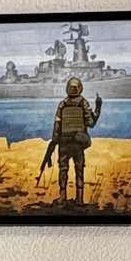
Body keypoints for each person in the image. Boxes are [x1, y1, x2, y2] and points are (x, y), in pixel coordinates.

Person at [50, 75, 102, 205]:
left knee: (63, 169)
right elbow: (91, 123)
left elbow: (57, 125)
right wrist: (98, 107)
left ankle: (62, 197)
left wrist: (55, 140)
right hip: (78, 143)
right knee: (79, 169)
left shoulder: (62, 104)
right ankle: (79, 198)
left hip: (64, 143)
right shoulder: (83, 103)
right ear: (80, 88)